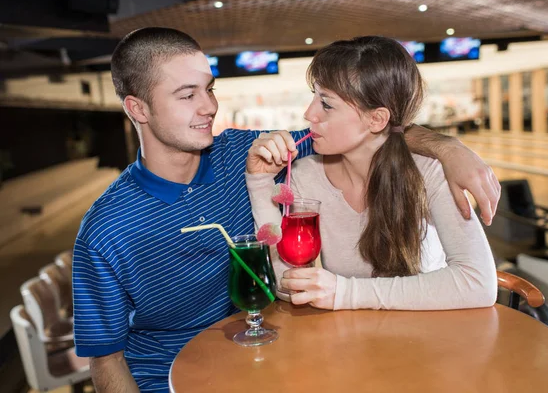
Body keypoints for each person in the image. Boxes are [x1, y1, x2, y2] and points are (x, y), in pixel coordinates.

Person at [73, 28, 499, 392]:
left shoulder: (247, 152)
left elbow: (372, 133)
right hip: (170, 377)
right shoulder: (107, 228)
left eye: (209, 88)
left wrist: (449, 148)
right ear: (138, 109)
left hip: (270, 358)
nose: (208, 106)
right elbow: (105, 359)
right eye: (187, 95)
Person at [245, 36, 497, 311]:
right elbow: (288, 283)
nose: (309, 114)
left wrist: (345, 293)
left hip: (430, 339)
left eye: (326, 104)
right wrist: (260, 180)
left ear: (376, 119)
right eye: (313, 97)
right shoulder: (306, 175)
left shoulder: (430, 172)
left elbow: (478, 283)